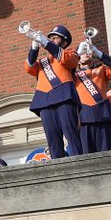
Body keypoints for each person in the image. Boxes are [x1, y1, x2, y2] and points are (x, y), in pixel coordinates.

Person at [26, 24, 81, 158]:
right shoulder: (43, 61)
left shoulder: (70, 53)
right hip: (44, 101)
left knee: (71, 135)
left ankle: (80, 163)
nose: (51, 40)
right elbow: (29, 67)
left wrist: (45, 42)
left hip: (64, 98)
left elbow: (68, 60)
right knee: (53, 140)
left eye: (55, 38)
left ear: (64, 41)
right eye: (50, 38)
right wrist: (34, 48)